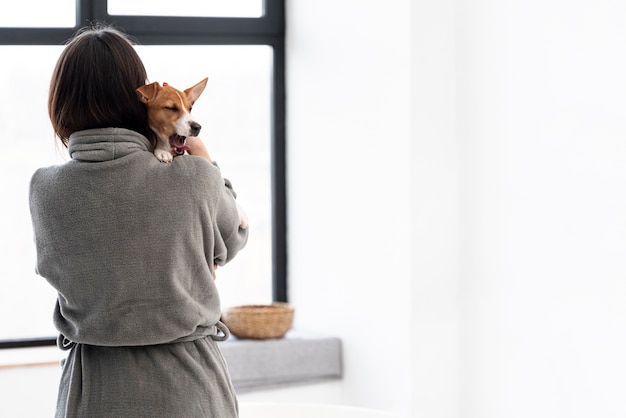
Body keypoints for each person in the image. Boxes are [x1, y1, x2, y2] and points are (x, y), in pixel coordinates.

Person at [29, 23, 248, 417]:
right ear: (139, 98)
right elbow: (234, 237)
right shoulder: (194, 176)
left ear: (59, 104)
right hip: (190, 393)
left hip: (89, 395)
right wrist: (204, 158)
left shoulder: (44, 189)